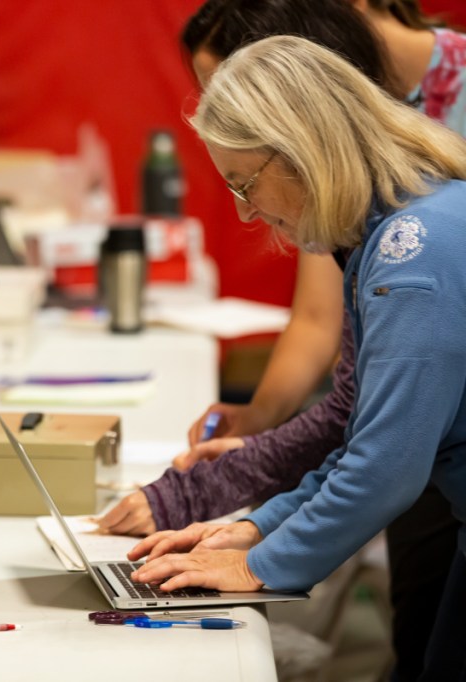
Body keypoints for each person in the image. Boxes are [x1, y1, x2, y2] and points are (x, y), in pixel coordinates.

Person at [96, 2, 464, 676]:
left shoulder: (413, 255)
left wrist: (258, 565)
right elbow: (363, 438)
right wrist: (256, 526)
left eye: (244, 182)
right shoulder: (392, 230)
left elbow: (385, 468)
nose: (245, 210)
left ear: (302, 149)